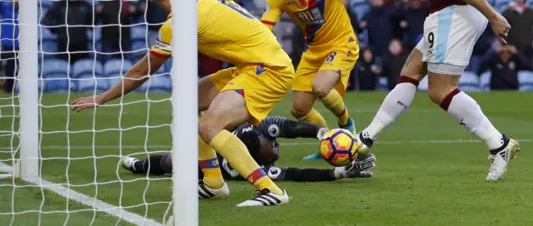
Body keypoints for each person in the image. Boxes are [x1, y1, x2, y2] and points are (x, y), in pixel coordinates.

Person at [311, 0, 519, 181]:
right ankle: (366, 140)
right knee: (411, 71)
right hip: (445, 11)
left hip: (456, 11)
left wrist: (494, 16)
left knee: (440, 90)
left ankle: (498, 144)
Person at [72, 0, 295, 207]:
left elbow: (142, 71)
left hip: (269, 70)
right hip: (257, 63)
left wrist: (101, 98)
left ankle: (271, 190)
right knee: (188, 102)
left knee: (210, 127)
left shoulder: (177, 24)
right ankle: (213, 183)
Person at [261, 0, 410, 160]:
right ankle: (328, 141)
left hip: (342, 44)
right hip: (313, 50)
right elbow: (265, 26)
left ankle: (346, 124)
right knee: (299, 110)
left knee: (320, 87)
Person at [121, 116, 377, 187]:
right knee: (172, 162)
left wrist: (323, 134)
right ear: (255, 153)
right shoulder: (251, 168)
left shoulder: (260, 134)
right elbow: (296, 173)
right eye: (272, 146)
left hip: (218, 139)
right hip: (208, 161)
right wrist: (337, 174)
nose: (276, 146)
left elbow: (291, 126)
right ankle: (140, 165)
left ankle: (140, 164)